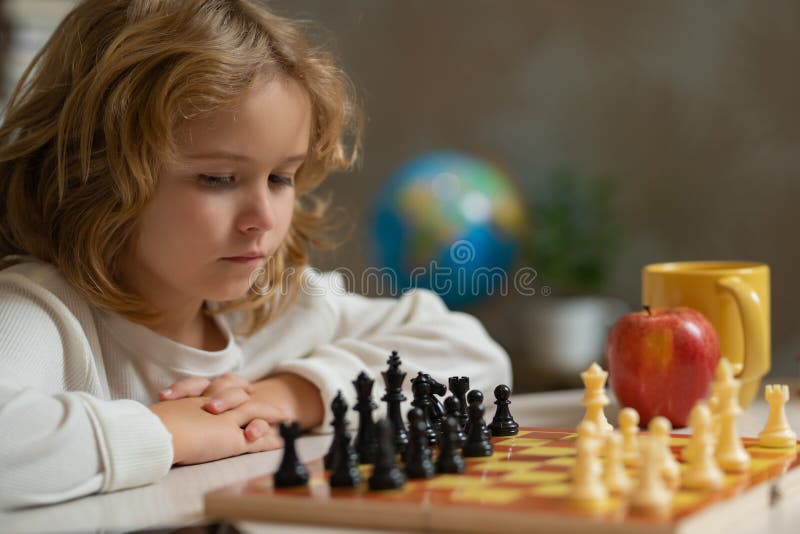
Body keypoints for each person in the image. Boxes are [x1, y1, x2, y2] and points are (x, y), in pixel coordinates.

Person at [0, 0, 511, 510]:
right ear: (96, 172)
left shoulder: (280, 305)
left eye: (281, 177)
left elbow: (478, 358)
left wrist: (295, 394)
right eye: (219, 178)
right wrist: (166, 433)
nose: (263, 217)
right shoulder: (40, 313)